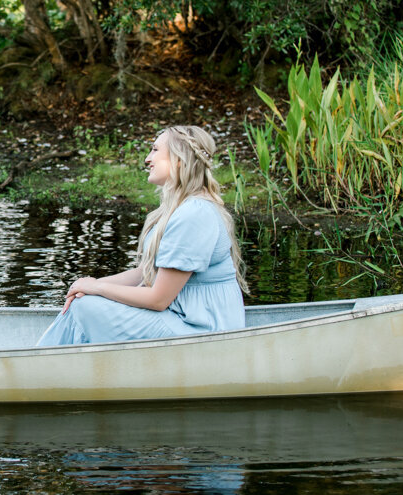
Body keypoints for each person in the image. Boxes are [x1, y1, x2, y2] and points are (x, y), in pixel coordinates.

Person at [37, 125, 247, 346]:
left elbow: (158, 299)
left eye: (155, 150)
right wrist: (87, 285)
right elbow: (146, 274)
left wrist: (97, 288)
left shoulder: (194, 214)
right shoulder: (183, 208)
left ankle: (42, 365)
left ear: (178, 159)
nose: (148, 159)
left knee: (85, 307)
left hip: (203, 332)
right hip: (183, 320)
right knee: (84, 299)